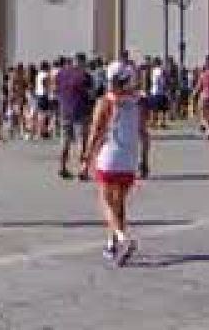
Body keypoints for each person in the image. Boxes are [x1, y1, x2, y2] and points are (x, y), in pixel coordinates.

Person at [85, 67, 151, 266]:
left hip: (109, 159)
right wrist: (145, 160)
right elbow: (144, 134)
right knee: (119, 203)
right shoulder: (137, 103)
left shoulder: (105, 102)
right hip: (129, 160)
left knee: (106, 203)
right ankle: (111, 243)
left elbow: (96, 132)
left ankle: (123, 239)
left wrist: (86, 157)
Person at [55, 54, 92, 180]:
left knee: (65, 139)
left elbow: (57, 89)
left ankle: (62, 167)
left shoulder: (61, 73)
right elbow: (90, 93)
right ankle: (81, 170)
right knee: (82, 140)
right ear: (82, 62)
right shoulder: (85, 76)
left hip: (65, 109)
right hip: (81, 109)